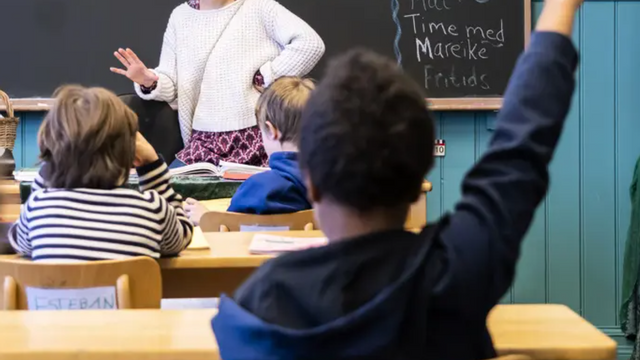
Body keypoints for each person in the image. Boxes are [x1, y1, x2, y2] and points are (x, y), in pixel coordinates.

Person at [211, 0, 583, 358]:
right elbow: (522, 144)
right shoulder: (458, 271)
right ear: (419, 174)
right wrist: (559, 7)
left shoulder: (256, 310)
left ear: (312, 182)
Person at [110, 0, 325, 168]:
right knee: (171, 196)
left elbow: (310, 44)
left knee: (252, 204)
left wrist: (266, 75)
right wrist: (148, 80)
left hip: (256, 138)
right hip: (203, 142)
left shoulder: (260, 7)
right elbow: (171, 84)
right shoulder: (180, 17)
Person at [8, 86, 193, 262]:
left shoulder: (39, 209)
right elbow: (182, 235)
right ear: (130, 151)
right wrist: (151, 164)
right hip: (126, 295)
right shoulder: (151, 209)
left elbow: (18, 241)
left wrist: (55, 158)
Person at [185, 76, 314, 225]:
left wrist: (206, 218)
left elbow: (230, 232)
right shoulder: (335, 183)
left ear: (271, 131)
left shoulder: (259, 188)